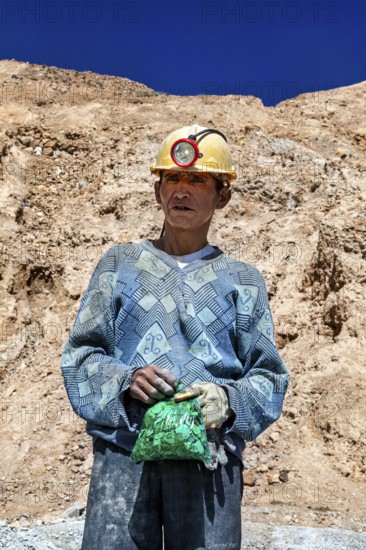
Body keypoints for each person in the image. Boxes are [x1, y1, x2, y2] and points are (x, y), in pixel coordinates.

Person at [61, 125, 290, 550]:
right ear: (157, 190)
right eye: (172, 178)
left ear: (223, 196)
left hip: (209, 457)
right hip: (124, 454)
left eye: (198, 179)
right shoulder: (120, 265)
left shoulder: (243, 280)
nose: (181, 190)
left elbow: (269, 376)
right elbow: (81, 356)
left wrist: (229, 401)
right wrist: (126, 379)